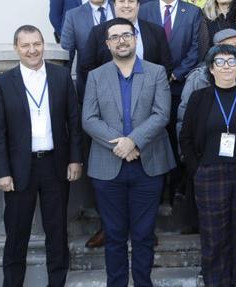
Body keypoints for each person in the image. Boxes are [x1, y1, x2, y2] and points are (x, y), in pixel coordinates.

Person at [82, 18, 175, 287]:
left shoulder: (156, 72)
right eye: (115, 37)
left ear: (135, 38)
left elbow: (161, 114)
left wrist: (133, 141)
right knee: (114, 234)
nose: (121, 40)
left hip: (148, 165)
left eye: (126, 35)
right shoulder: (97, 76)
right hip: (107, 167)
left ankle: (144, 283)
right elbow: (89, 118)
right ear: (108, 44)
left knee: (145, 234)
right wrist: (121, 145)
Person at [0, 25, 83, 287]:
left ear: (43, 45)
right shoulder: (2, 83)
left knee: (56, 232)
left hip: (55, 164)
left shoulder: (61, 77)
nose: (32, 50)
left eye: (37, 44)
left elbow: (73, 122)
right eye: (26, 45)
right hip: (19, 169)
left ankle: (57, 283)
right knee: (17, 234)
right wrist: (2, 172)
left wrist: (76, 159)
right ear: (16, 48)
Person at [180, 44, 236, 287]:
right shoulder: (199, 98)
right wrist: (196, 169)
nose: (226, 67)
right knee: (213, 238)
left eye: (231, 62)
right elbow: (186, 137)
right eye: (219, 62)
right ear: (211, 69)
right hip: (209, 174)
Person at [177, 28, 236, 234]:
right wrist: (193, 164)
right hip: (209, 165)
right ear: (212, 64)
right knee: (214, 232)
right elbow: (185, 124)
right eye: (232, 45)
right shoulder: (197, 82)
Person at [138, 0, 203, 211]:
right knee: (152, 136)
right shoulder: (144, 11)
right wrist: (156, 77)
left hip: (179, 86)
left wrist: (175, 74)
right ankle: (156, 188)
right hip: (149, 87)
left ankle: (176, 189)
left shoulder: (193, 13)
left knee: (177, 137)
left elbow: (196, 49)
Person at [79, 0, 173, 93]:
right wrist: (104, 91)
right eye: (122, 1)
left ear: (138, 5)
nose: (126, 5)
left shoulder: (156, 31)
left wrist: (152, 89)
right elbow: (87, 66)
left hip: (148, 95)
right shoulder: (98, 32)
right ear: (114, 5)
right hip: (110, 96)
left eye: (131, 1)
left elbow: (166, 66)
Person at [61, 0, 114, 100]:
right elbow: (67, 53)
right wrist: (63, 84)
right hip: (88, 82)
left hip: (122, 78)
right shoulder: (73, 16)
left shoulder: (121, 9)